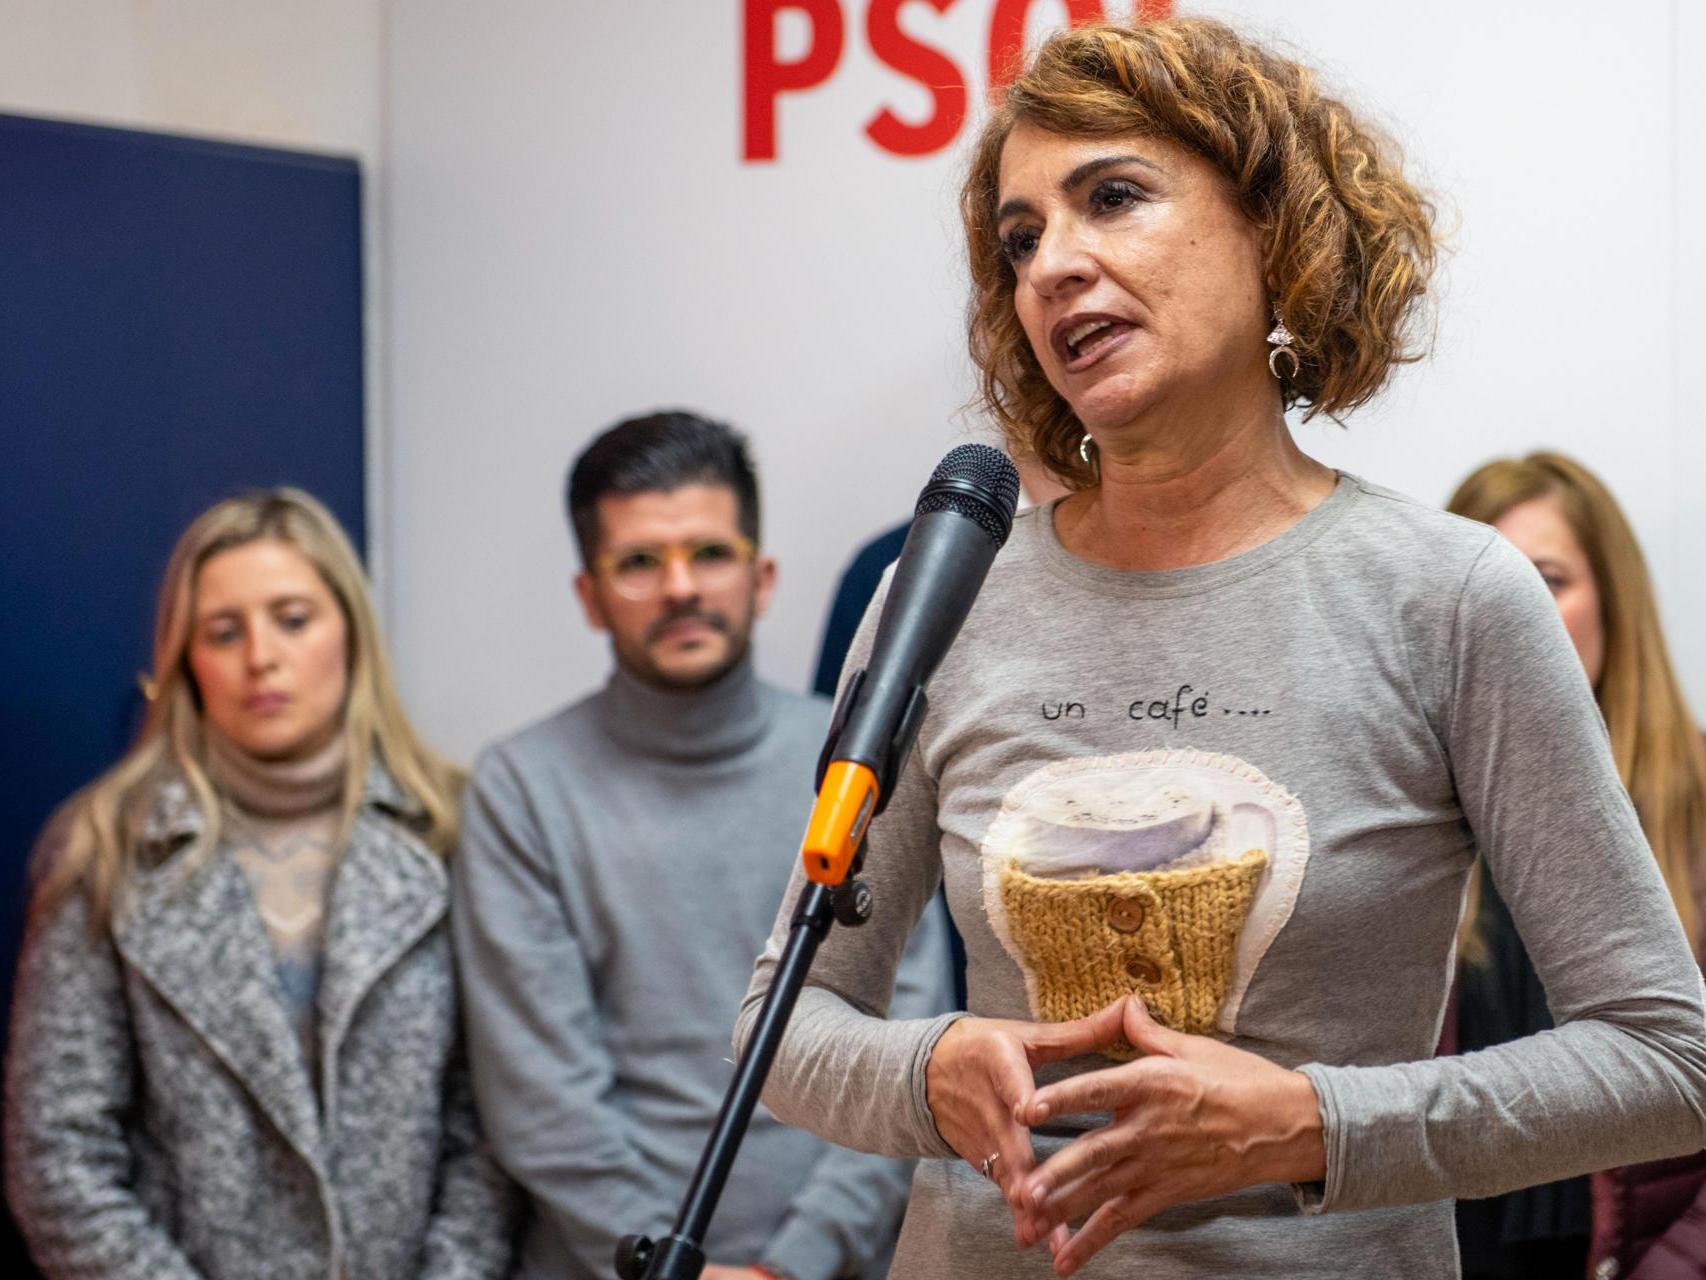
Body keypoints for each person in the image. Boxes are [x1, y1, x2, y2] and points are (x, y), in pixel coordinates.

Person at [737, 16, 1706, 1280]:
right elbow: (781, 1020)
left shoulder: (1452, 595)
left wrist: (1308, 1124)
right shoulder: (948, 593)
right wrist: (929, 1072)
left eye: (1113, 198)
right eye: (1021, 237)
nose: (1051, 265)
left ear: (1272, 226)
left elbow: (1662, 1059)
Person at [451, 411, 952, 1280]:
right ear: (589, 593)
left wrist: (793, 1265)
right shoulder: (521, 790)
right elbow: (542, 1102)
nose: (681, 587)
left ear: (761, 578)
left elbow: (906, 1038)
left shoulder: (857, 763)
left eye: (710, 554)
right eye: (640, 562)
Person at [4, 488, 516, 1280]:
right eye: (223, 631)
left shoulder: (451, 829)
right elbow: (58, 1152)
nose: (261, 657)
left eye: (293, 618)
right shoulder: (105, 846)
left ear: (349, 630)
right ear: (186, 659)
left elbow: (485, 1131)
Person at [1446, 451, 1706, 1280]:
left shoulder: (1699, 810)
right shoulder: (1408, 830)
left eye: (1547, 580)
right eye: (1485, 593)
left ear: (1613, 602)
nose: (1512, 619)